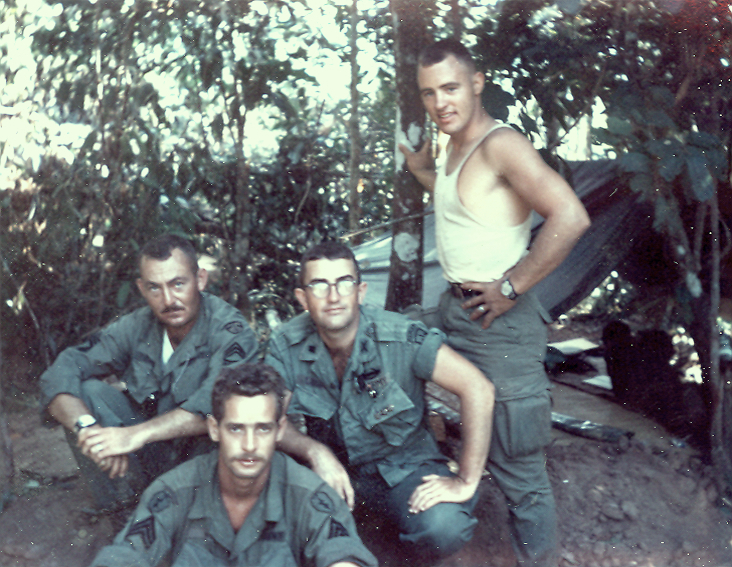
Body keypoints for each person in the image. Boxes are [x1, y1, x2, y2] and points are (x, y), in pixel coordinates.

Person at [398, 39, 591, 567]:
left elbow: (571, 217)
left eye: (451, 88)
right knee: (393, 353)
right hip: (456, 311)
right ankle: (445, 468)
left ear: (478, 83)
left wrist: (511, 287)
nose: (440, 102)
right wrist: (420, 170)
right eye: (429, 93)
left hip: (498, 321)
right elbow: (463, 202)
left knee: (520, 471)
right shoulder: (454, 147)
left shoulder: (500, 143)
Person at [265, 241, 495, 561]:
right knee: (273, 523)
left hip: (403, 468)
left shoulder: (400, 335)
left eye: (344, 282)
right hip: (334, 470)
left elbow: (478, 387)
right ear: (302, 298)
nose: (333, 296)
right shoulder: (286, 344)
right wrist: (314, 452)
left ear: (361, 292)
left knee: (442, 527)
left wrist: (466, 480)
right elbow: (269, 420)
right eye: (319, 285)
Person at [40, 233, 258, 512]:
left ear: (200, 280)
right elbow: (63, 368)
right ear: (142, 289)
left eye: (178, 284)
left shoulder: (231, 331)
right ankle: (122, 513)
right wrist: (89, 429)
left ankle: (191, 520)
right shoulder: (137, 325)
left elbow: (221, 409)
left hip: (205, 461)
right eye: (155, 288)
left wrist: (133, 435)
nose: (168, 300)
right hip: (155, 454)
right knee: (90, 393)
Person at [89, 362, 377, 567]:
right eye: (236, 428)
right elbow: (127, 554)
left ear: (279, 430)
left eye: (262, 429)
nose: (249, 445)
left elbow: (343, 552)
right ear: (214, 429)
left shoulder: (308, 494)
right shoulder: (174, 490)